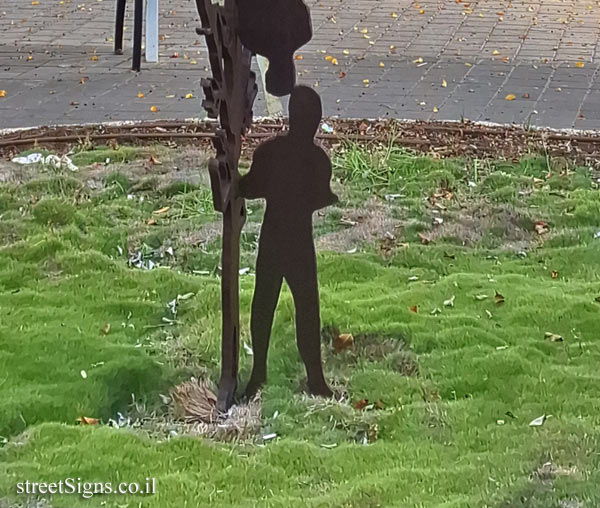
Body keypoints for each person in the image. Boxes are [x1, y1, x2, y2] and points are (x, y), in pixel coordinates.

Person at [239, 85, 337, 397]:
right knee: (304, 306)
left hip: (274, 236)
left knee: (266, 304)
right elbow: (320, 196)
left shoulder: (270, 152)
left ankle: (262, 374)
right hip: (298, 239)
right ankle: (313, 378)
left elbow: (251, 187)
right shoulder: (319, 160)